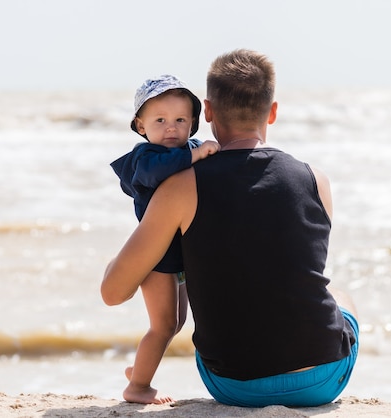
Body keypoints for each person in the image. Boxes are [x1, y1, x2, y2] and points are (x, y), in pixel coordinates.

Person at [102, 49, 359, 408]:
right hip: (324, 379)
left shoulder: (182, 186)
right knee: (339, 297)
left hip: (233, 385)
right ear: (272, 112)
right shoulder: (317, 180)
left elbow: (112, 293)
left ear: (205, 113)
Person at [109, 75, 221, 404]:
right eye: (160, 120)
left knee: (177, 322)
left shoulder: (189, 149)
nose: (171, 128)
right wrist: (196, 156)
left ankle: (139, 370)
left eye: (180, 120)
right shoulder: (144, 158)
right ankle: (138, 387)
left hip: (178, 256)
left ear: (193, 123)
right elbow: (155, 173)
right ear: (140, 126)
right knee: (162, 325)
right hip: (156, 257)